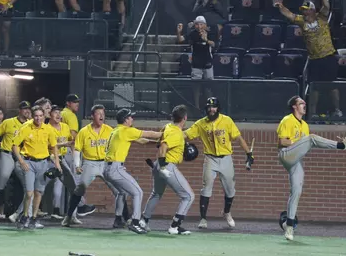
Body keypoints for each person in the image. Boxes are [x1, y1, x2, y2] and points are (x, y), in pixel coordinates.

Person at [277, 95, 346, 241]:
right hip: (286, 154)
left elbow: (305, 146)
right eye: (301, 103)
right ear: (294, 106)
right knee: (311, 138)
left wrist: (303, 144)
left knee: (296, 191)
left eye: (304, 103)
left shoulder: (304, 124)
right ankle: (343, 145)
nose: (304, 105)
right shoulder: (287, 120)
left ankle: (289, 226)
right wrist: (300, 142)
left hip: (296, 159)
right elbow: (282, 141)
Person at [184, 97, 253, 229]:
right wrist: (173, 134)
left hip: (226, 158)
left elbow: (238, 137)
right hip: (210, 158)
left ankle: (227, 213)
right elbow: (186, 134)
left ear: (218, 108)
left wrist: (248, 153)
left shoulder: (226, 120)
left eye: (214, 107)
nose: (211, 109)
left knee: (230, 190)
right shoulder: (201, 123)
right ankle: (203, 219)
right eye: (209, 107)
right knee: (206, 187)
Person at [275, 0, 342, 119]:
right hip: (314, 59)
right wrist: (281, 6)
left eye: (306, 10)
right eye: (303, 10)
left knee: (332, 86)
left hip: (328, 57)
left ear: (312, 10)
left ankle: (337, 110)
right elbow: (289, 14)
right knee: (314, 86)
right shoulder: (302, 21)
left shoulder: (321, 17)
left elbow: (327, 7)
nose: (304, 12)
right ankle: (313, 113)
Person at [62, 104, 128, 228]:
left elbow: (117, 149)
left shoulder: (109, 130)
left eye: (103, 113)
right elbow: (77, 149)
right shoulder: (84, 131)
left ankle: (123, 218)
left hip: (106, 163)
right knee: (79, 189)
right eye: (98, 113)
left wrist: (119, 164)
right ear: (92, 116)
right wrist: (77, 165)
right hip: (90, 163)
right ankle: (68, 217)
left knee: (119, 190)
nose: (101, 116)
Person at [103, 108, 162, 234]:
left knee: (122, 192)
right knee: (138, 192)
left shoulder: (117, 130)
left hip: (107, 168)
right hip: (115, 168)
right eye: (130, 117)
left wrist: (158, 143)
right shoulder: (126, 130)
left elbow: (141, 140)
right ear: (125, 120)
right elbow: (149, 134)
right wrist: (167, 134)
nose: (132, 119)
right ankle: (135, 222)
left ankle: (118, 219)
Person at [141, 105, 195, 235]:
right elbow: (164, 146)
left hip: (158, 165)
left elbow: (160, 142)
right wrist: (163, 165)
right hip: (167, 165)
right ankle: (175, 226)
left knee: (156, 193)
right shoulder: (176, 132)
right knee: (188, 196)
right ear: (184, 118)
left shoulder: (167, 127)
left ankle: (144, 221)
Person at [12, 106, 62, 229]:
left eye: (40, 116)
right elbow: (15, 145)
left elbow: (54, 146)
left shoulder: (48, 129)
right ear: (33, 116)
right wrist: (21, 161)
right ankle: (25, 216)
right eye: (36, 116)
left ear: (44, 116)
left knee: (39, 192)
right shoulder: (26, 128)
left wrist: (57, 162)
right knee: (29, 193)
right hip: (29, 162)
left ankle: (34, 217)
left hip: (43, 163)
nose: (38, 118)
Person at [0, 101, 29, 223]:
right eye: (24, 109)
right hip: (7, 154)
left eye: (28, 109)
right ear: (19, 110)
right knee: (2, 181)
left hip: (21, 157)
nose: (27, 111)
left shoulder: (31, 125)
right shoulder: (8, 122)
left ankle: (19, 212)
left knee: (26, 185)